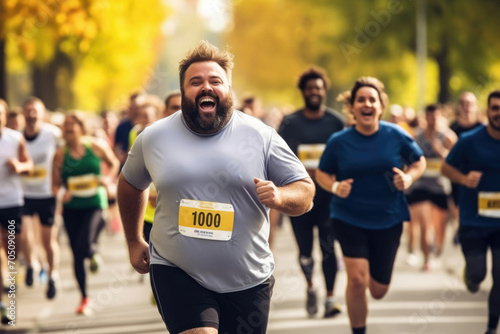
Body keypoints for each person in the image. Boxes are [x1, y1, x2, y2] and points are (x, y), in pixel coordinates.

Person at [117, 41, 315, 334]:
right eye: (195, 82)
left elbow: (306, 192)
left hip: (249, 278)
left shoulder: (260, 136)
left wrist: (280, 196)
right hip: (176, 270)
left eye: (215, 81)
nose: (205, 87)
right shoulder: (154, 137)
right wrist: (134, 239)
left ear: (228, 89)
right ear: (183, 91)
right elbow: (130, 184)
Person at [315, 77, 426, 334]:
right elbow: (322, 173)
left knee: (377, 290)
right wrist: (334, 187)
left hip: (389, 218)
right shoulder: (339, 141)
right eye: (361, 100)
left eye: (372, 100)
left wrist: (409, 177)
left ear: (380, 106)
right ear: (352, 107)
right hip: (348, 216)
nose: (366, 104)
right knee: (356, 279)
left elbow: (418, 161)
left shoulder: (396, 135)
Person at [278, 66, 344, 318]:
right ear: (303, 92)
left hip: (328, 198)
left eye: (318, 88)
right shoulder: (290, 123)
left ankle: (330, 298)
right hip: (298, 197)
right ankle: (311, 286)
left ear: (324, 91)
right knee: (305, 250)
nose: (314, 92)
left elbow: (344, 157)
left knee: (328, 248)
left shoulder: (335, 122)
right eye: (310, 88)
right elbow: (279, 157)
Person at [441, 90, 500, 334]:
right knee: (478, 275)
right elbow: (446, 168)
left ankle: (490, 327)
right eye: (495, 108)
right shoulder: (469, 140)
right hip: (473, 221)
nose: (499, 113)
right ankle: (472, 275)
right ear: (487, 112)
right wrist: (464, 179)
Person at [52, 113, 119, 315]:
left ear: (82, 127)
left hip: (95, 204)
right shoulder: (60, 154)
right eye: (66, 125)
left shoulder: (95, 146)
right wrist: (63, 193)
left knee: (83, 244)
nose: (68, 128)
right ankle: (84, 298)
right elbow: (54, 185)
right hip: (72, 208)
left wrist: (108, 180)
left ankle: (93, 252)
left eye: (72, 125)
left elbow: (114, 162)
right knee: (76, 254)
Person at [20, 97, 63, 298]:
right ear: (23, 114)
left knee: (48, 241)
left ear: (42, 114)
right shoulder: (16, 137)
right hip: (24, 194)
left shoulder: (52, 134)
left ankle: (53, 274)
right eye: (28, 111)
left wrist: (61, 181)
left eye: (35, 111)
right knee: (23, 235)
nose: (31, 115)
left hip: (47, 194)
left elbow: (66, 154)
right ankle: (32, 264)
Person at [405, 104, 457, 271]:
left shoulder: (448, 137)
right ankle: (426, 258)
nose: (432, 120)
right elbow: (409, 159)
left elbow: (456, 160)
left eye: (435, 117)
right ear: (425, 118)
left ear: (440, 116)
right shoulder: (417, 137)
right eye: (429, 117)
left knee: (438, 227)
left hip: (440, 186)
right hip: (420, 186)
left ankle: (437, 253)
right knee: (424, 224)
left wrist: (440, 150)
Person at [0, 98, 33, 324]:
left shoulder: (15, 138)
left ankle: (10, 301)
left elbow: (29, 165)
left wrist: (20, 167)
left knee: (11, 251)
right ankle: (3, 303)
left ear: (4, 116)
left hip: (11, 202)